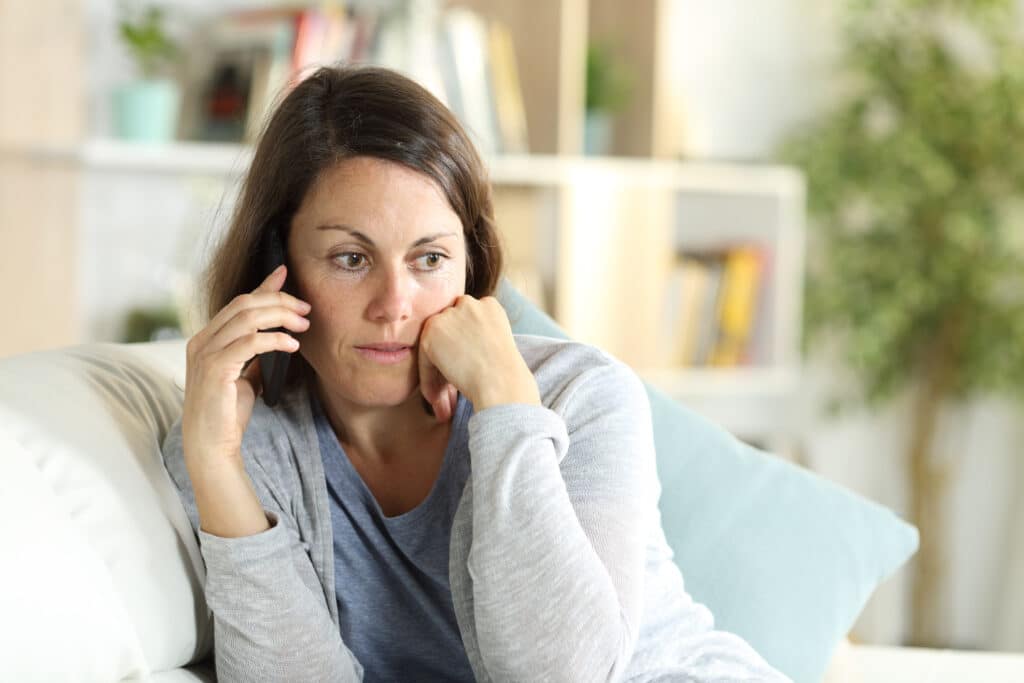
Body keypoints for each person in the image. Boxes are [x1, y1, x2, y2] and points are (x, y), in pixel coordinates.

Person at [161, 64, 790, 682]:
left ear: (469, 263)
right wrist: (214, 465)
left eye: (429, 257)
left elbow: (568, 675)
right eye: (351, 259)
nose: (394, 304)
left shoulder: (582, 394)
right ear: (281, 266)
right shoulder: (243, 443)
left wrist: (507, 405)